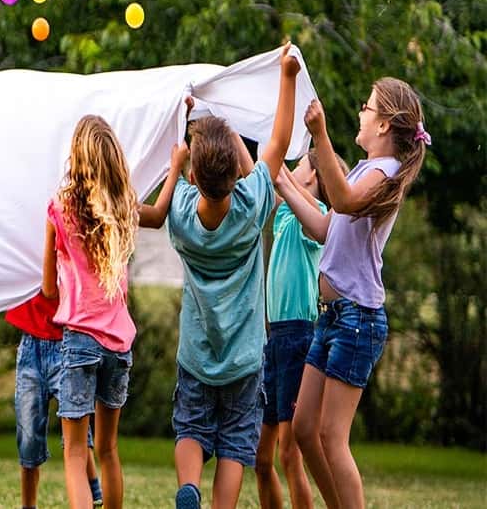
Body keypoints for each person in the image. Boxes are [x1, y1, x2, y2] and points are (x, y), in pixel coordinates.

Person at [285, 78, 428, 509]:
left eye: (367, 107)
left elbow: (343, 201)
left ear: (384, 124)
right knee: (304, 429)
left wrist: (320, 135)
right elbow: (329, 226)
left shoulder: (382, 174)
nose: (361, 112)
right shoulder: (367, 169)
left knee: (331, 435)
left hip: (357, 320)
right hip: (331, 316)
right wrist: (282, 184)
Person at [168, 42, 300, 509]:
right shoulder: (249, 208)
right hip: (244, 359)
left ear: (195, 175)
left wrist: (180, 122)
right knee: (235, 445)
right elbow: (278, 146)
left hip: (197, 356)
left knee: (191, 428)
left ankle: (188, 488)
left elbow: (181, 171)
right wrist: (287, 77)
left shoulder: (180, 216)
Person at [44, 114, 184, 509]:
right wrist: (175, 167)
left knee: (75, 453)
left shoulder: (59, 208)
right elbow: (156, 215)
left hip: (80, 342)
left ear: (77, 157)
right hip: (119, 345)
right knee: (108, 450)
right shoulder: (124, 207)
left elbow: (48, 288)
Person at [254, 150, 347, 509]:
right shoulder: (283, 218)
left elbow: (277, 175)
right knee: (262, 459)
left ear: (314, 177)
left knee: (290, 455)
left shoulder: (321, 217)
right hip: (274, 339)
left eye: (302, 165)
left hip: (298, 338)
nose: (293, 168)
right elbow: (269, 175)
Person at [6, 293, 104, 508]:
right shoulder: (23, 259)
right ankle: (28, 505)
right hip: (31, 347)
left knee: (76, 423)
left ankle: (94, 490)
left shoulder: (70, 258)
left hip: (69, 344)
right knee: (28, 436)